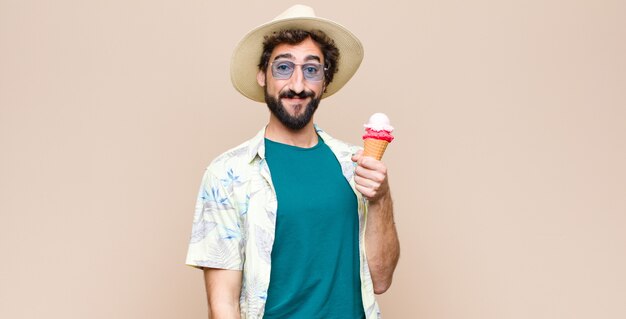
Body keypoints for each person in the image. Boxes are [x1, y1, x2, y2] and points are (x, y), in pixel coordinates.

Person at [186, 5, 400, 319]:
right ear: (262, 75)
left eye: (311, 69)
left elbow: (381, 279)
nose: (298, 85)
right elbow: (224, 304)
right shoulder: (227, 174)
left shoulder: (354, 164)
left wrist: (381, 199)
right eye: (283, 67)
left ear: (325, 81)